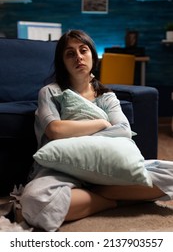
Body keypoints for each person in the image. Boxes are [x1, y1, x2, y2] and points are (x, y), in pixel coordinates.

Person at [21, 29, 173, 231]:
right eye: (70, 53)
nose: (78, 57)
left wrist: (73, 131)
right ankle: (114, 199)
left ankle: (93, 193)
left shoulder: (107, 97)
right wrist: (101, 124)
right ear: (62, 62)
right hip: (62, 169)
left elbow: (123, 131)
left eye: (83, 50)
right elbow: (55, 130)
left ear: (93, 55)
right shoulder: (50, 92)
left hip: (108, 168)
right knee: (34, 201)